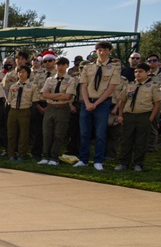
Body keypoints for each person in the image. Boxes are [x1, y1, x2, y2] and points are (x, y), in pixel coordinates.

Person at [75, 41, 122, 170]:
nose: (101, 52)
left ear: (109, 51)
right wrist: (88, 102)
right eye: (99, 50)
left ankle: (98, 160)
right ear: (96, 52)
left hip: (102, 103)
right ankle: (83, 159)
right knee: (84, 133)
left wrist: (95, 103)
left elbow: (111, 89)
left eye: (104, 50)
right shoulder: (88, 67)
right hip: (87, 102)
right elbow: (83, 86)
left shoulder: (114, 68)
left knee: (100, 133)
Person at [115, 63, 161, 171]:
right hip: (129, 115)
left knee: (141, 141)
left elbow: (157, 104)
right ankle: (124, 163)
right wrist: (120, 115)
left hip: (144, 115)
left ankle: (138, 164)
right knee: (126, 140)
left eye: (140, 71)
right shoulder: (130, 85)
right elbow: (122, 101)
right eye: (136, 72)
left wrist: (151, 118)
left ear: (147, 73)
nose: (137, 74)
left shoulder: (153, 86)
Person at [38, 56, 76, 165]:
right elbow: (44, 95)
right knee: (47, 133)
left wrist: (52, 95)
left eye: (62, 65)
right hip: (49, 108)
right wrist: (59, 94)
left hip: (62, 108)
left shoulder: (71, 80)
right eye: (58, 65)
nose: (60, 67)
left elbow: (67, 96)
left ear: (67, 66)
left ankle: (54, 157)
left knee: (59, 134)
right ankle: (45, 156)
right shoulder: (50, 79)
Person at [5, 65, 40, 160]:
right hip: (13, 110)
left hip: (25, 110)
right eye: (19, 72)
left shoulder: (32, 86)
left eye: (23, 72)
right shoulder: (13, 86)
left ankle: (22, 154)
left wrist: (32, 113)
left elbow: (34, 101)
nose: (21, 74)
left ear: (28, 73)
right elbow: (10, 100)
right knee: (11, 133)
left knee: (23, 134)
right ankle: (11, 154)